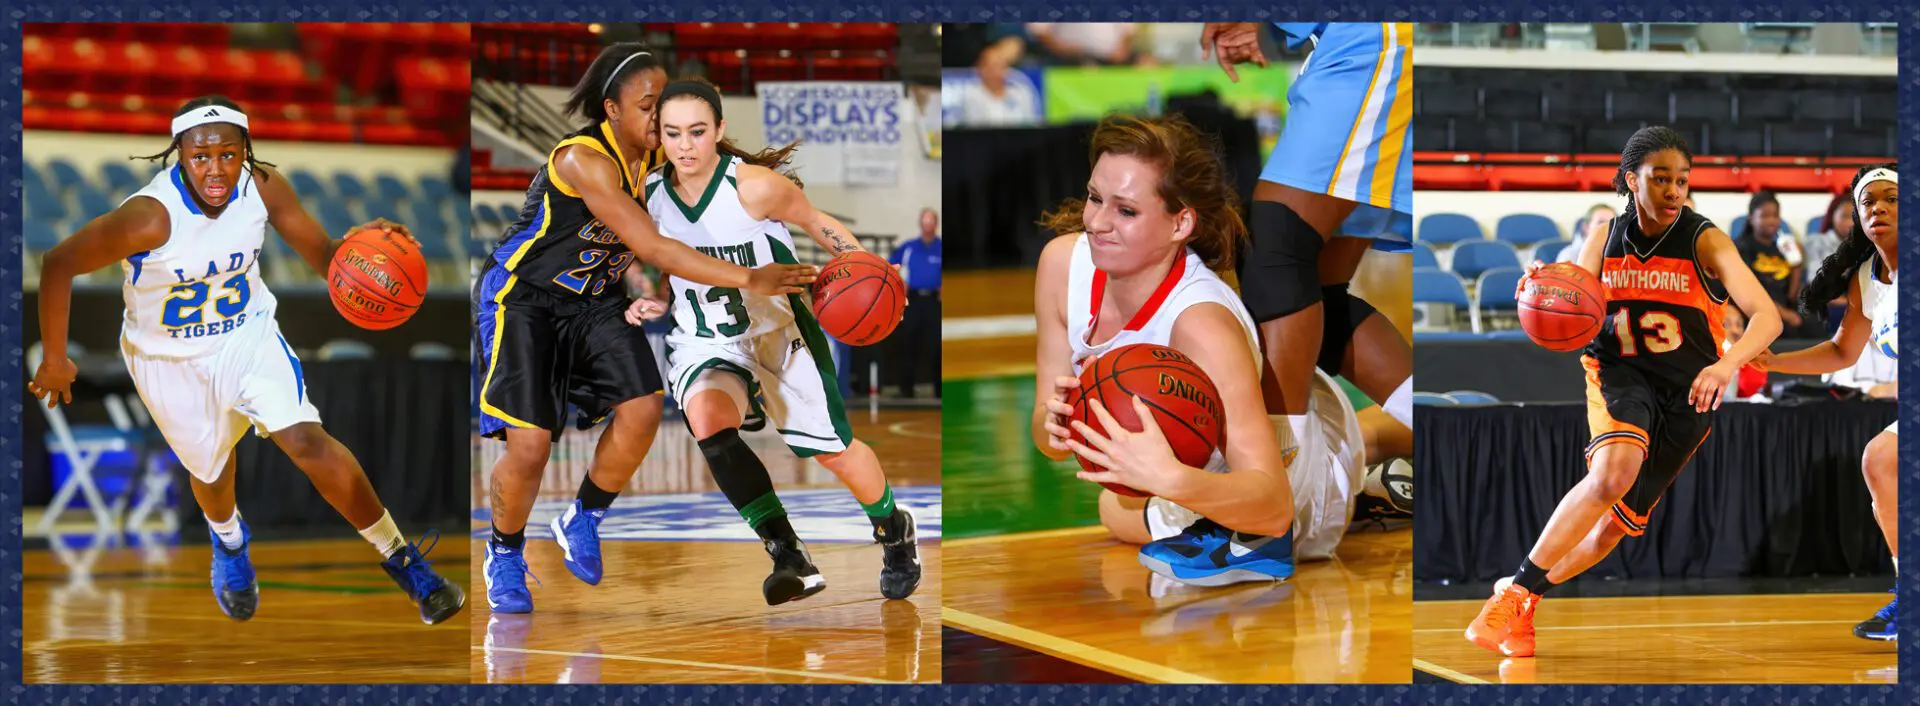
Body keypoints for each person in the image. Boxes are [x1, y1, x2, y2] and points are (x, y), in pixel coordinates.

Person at [27, 95, 463, 624]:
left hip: (245, 334)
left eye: (228, 154)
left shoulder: (263, 186)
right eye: (201, 156)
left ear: (245, 151)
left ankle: (403, 560)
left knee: (305, 437)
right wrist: (54, 356)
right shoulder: (148, 217)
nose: (216, 168)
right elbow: (58, 262)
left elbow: (326, 258)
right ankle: (229, 541)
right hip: (168, 356)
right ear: (180, 155)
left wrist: (362, 248)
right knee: (210, 472)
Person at [476, 46, 816, 614]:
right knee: (531, 446)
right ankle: (504, 553)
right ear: (612, 109)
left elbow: (679, 210)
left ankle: (582, 516)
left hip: (592, 300)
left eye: (665, 106)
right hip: (525, 299)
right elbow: (654, 245)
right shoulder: (584, 159)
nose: (660, 120)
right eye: (648, 106)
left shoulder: (653, 161)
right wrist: (750, 278)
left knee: (643, 405)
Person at [1031, 114, 1400, 587]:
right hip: (1232, 450)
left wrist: (1171, 479)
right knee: (1117, 505)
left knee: (1118, 511)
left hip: (1279, 488)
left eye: (1125, 211)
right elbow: (1046, 433)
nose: (1097, 222)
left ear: (1181, 222)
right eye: (1095, 197)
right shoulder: (1062, 265)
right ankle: (1371, 457)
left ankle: (1377, 456)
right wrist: (1054, 426)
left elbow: (1273, 508)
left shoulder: (1203, 326)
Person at [1463, 126, 1782, 658]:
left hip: (1688, 392)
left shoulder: (1705, 239)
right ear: (1632, 179)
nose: (1674, 190)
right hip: (1619, 372)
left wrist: (1727, 365)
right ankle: (1515, 591)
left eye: (1682, 180)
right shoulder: (1604, 236)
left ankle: (1524, 600)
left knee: (1612, 531)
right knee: (1612, 473)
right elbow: (1574, 302)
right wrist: (1544, 287)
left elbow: (1767, 316)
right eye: (1661, 178)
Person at [634, 78, 921, 604]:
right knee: (708, 422)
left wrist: (869, 273)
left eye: (697, 131)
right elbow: (656, 260)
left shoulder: (754, 187)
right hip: (708, 339)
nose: (685, 145)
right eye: (673, 133)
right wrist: (651, 294)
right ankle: (788, 553)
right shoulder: (649, 194)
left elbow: (818, 222)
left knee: (832, 451)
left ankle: (893, 528)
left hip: (779, 332)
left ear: (719, 130)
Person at [1199, 23, 1416, 498]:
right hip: (1352, 43)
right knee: (1315, 288)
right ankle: (1450, 438)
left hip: (1378, 40)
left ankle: (1279, 492)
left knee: (1277, 249)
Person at [1759, 164, 1899, 642]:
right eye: (1867, 202)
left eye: (1891, 198)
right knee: (1883, 478)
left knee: (1883, 461)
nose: (1877, 207)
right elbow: (1843, 351)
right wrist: (1774, 362)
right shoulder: (1866, 278)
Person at [1734, 190, 1821, 338]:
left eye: (1775, 216)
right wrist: (1784, 314)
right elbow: (1748, 293)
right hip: (1757, 310)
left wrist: (1797, 265)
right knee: (1785, 329)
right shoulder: (1741, 249)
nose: (1772, 221)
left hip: (1785, 306)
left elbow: (1792, 296)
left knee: (1814, 324)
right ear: (1751, 218)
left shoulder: (1783, 248)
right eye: (1765, 216)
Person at [889, 208, 943, 398]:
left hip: (934, 302)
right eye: (925, 220)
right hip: (913, 300)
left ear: (936, 224)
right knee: (908, 343)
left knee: (937, 346)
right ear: (920, 223)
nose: (928, 224)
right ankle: (906, 390)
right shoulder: (909, 247)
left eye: (931, 221)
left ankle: (940, 390)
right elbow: (891, 267)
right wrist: (900, 285)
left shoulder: (941, 247)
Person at [957, 37, 1041, 127]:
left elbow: (1032, 125)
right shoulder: (971, 96)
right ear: (981, 69)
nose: (996, 71)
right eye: (992, 66)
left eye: (1001, 65)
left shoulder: (1021, 93)